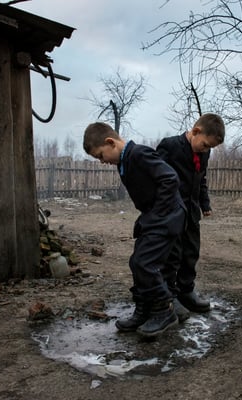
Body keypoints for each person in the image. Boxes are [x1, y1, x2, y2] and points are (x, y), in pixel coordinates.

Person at [83, 122, 186, 337]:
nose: (102, 162)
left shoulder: (139, 154)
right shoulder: (125, 161)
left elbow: (170, 178)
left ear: (110, 142)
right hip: (156, 217)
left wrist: (156, 215)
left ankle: (163, 310)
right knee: (137, 262)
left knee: (145, 263)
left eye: (101, 156)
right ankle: (144, 309)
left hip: (167, 217)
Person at [156, 113, 225, 316]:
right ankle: (169, 296)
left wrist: (205, 203)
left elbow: (201, 179)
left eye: (209, 148)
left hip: (192, 211)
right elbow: (156, 177)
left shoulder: (204, 153)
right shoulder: (169, 146)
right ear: (195, 132)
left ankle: (186, 291)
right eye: (204, 145)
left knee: (191, 252)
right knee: (172, 255)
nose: (206, 150)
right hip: (172, 211)